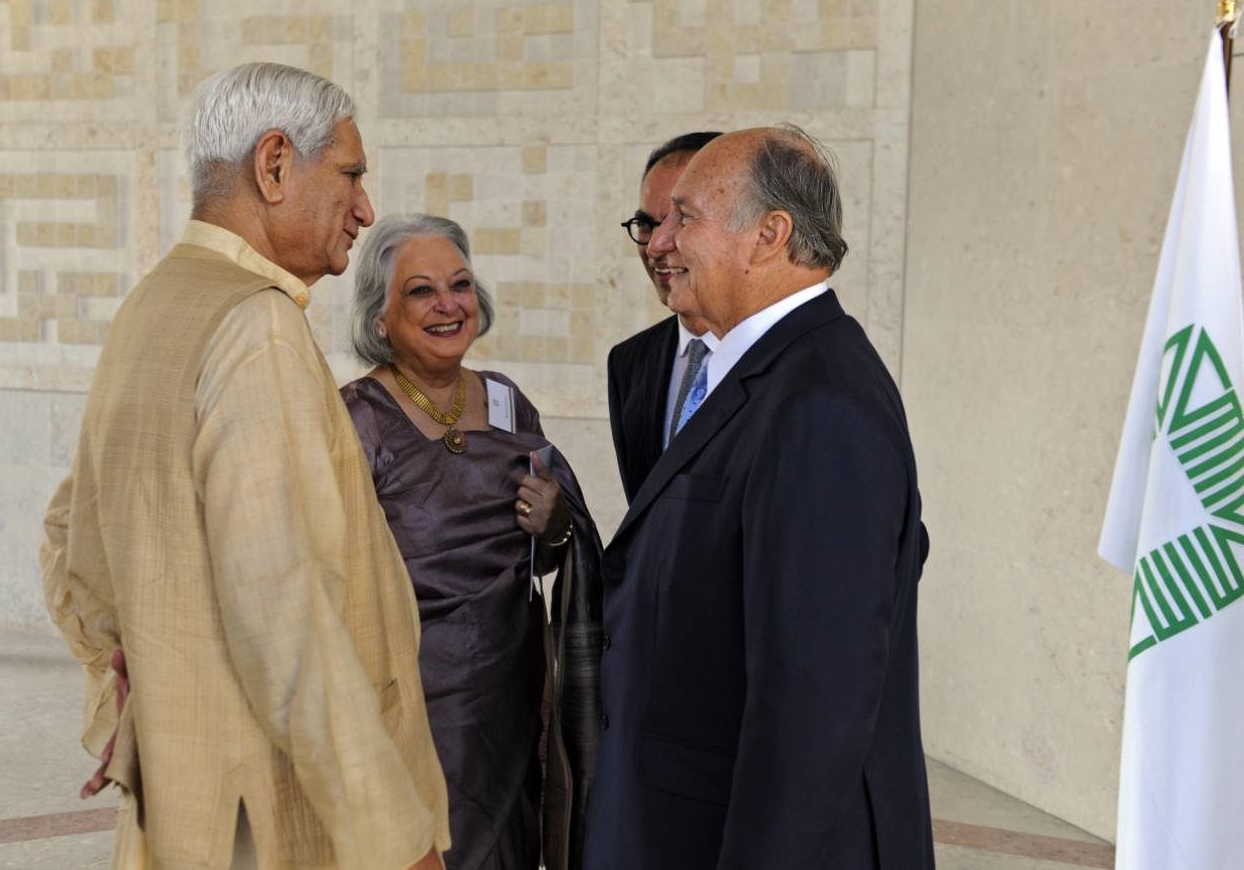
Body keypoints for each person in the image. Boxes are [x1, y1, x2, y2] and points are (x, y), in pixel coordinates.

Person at [39, 64, 449, 870]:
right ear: (273, 165)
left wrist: (129, 673)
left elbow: (67, 538)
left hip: (187, 793)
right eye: (351, 175)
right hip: (267, 816)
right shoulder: (253, 326)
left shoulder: (155, 302)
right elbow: (286, 620)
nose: (365, 208)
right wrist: (396, 842)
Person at [585, 126, 934, 870]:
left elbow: (813, 713)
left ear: (768, 236)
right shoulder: (767, 376)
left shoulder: (821, 404)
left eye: (685, 218)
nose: (659, 241)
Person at [341, 214, 603, 870]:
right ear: (380, 316)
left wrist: (558, 524)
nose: (448, 304)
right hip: (409, 706)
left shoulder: (506, 401)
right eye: (421, 291)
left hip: (511, 703)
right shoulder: (355, 420)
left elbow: (556, 548)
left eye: (459, 285)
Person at [608, 131, 721, 502]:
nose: (656, 245)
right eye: (647, 224)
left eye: (683, 219)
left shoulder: (791, 364)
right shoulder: (630, 362)